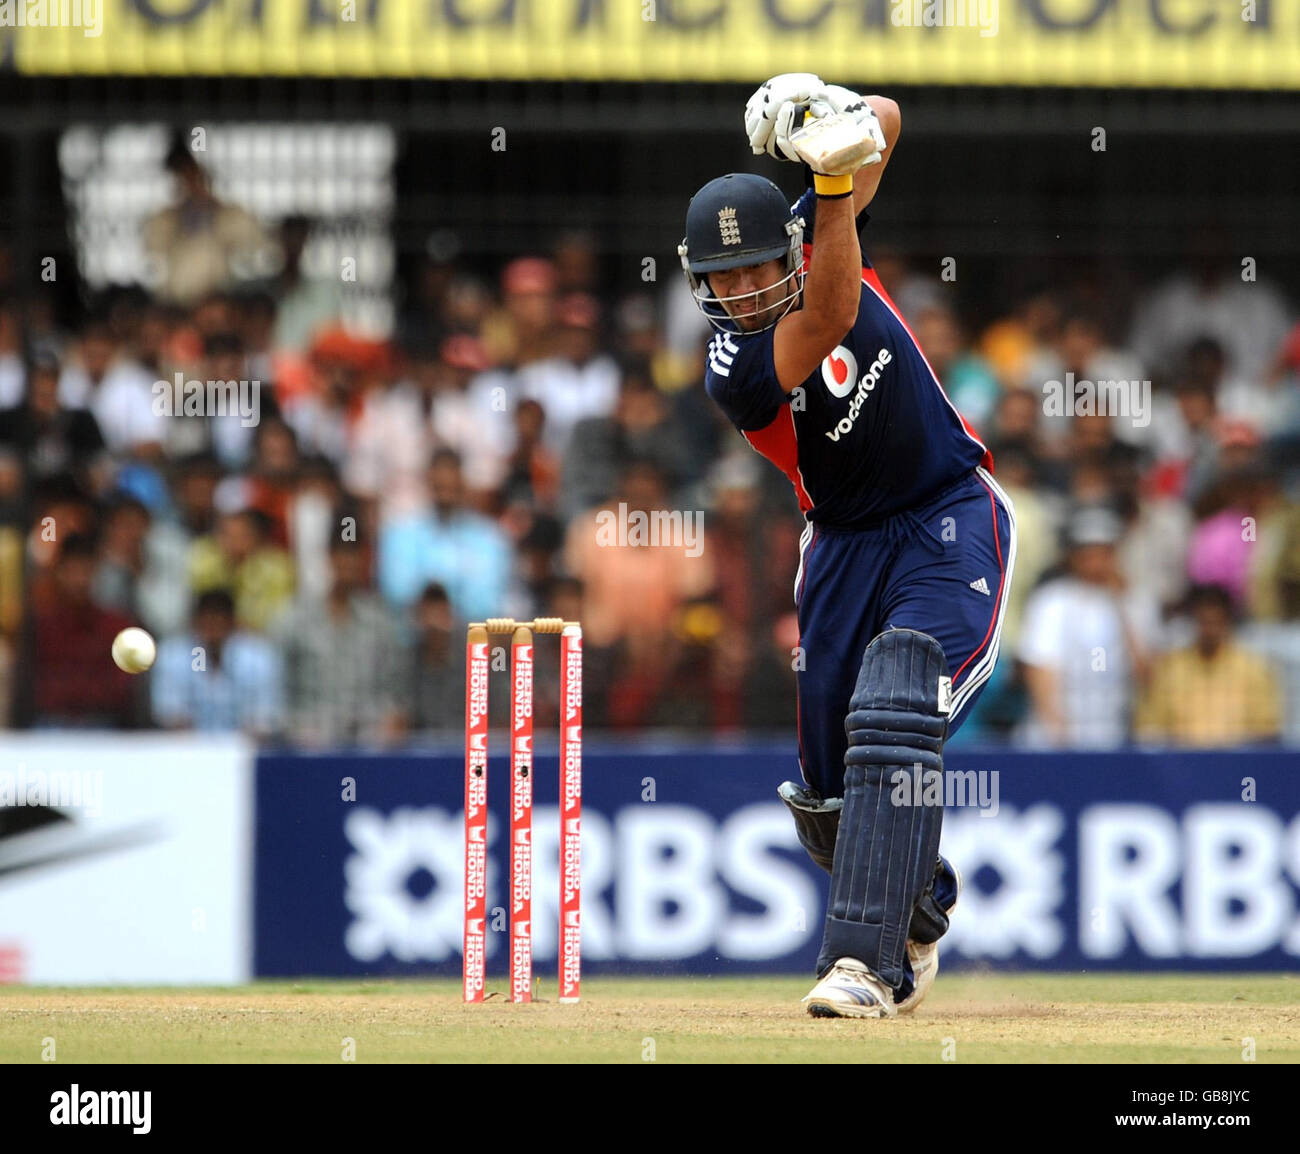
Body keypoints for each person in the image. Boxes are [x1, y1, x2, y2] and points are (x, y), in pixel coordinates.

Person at [680, 74, 1015, 1018]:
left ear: (785, 246)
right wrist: (831, 190)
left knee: (898, 697)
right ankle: (920, 905)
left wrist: (820, 103)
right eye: (721, 279)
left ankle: (866, 967)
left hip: (947, 510)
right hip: (842, 545)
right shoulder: (735, 368)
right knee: (829, 797)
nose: (742, 292)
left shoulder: (818, 221)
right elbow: (823, 319)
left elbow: (892, 123)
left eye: (753, 271)